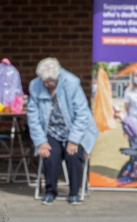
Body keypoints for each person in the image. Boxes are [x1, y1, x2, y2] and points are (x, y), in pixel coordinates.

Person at [27, 57, 99, 206]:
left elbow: (82, 114)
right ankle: (50, 192)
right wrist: (41, 141)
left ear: (58, 76)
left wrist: (74, 140)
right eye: (44, 81)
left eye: (51, 81)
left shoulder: (71, 83)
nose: (47, 84)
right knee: (50, 155)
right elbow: (32, 117)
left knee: (73, 155)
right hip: (51, 130)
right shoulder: (35, 85)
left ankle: (74, 193)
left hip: (74, 130)